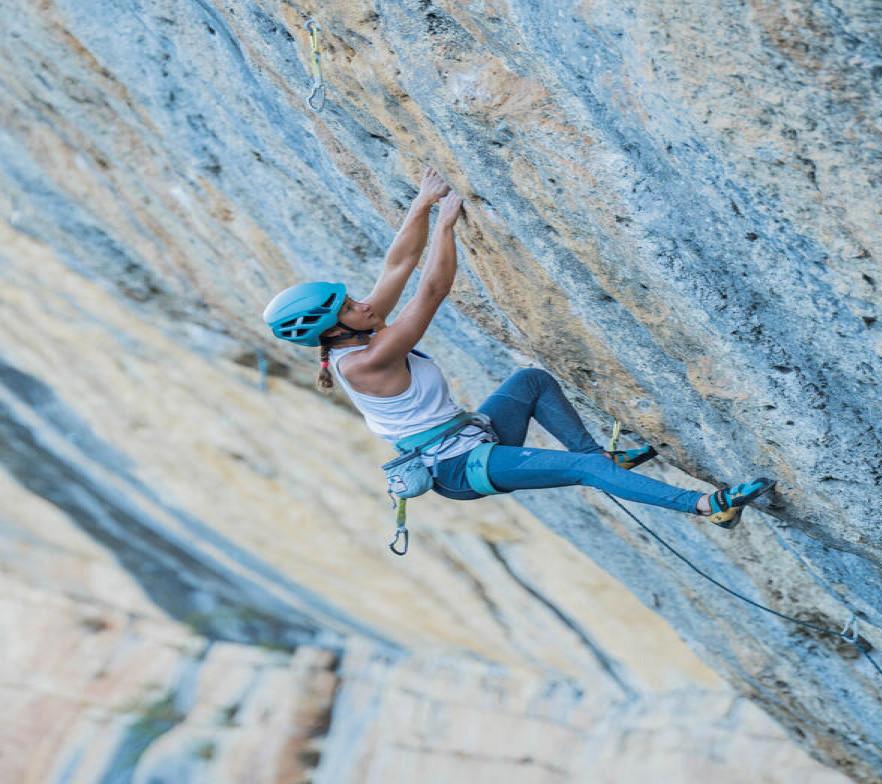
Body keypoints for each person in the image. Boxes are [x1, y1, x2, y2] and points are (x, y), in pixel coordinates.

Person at [262, 166, 774, 527]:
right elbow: (432, 290)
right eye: (349, 307)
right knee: (583, 472)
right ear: (333, 331)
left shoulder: (356, 334)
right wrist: (445, 227)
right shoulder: (369, 360)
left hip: (472, 437)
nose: (364, 305)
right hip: (457, 469)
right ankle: (708, 507)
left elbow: (397, 267)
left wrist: (421, 203)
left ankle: (600, 459)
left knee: (531, 382)